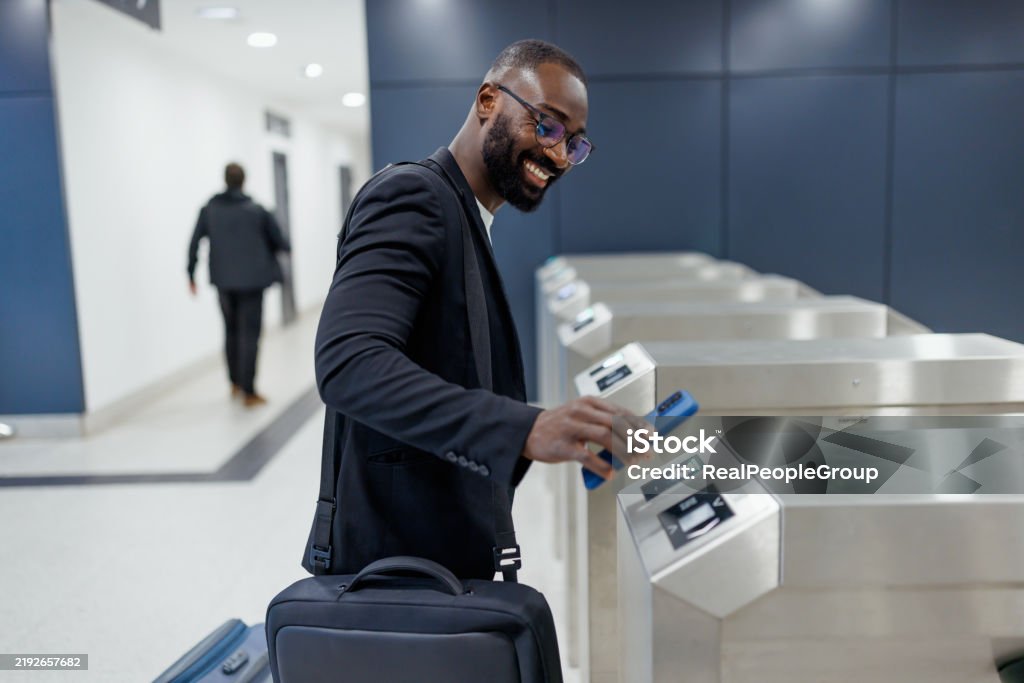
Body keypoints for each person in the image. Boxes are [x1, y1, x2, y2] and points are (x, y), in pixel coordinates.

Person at [306, 40, 635, 580]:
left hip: (434, 559)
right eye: (547, 126)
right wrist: (523, 428)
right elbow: (349, 362)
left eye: (574, 145)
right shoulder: (414, 197)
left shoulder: (465, 214)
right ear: (488, 101)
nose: (557, 155)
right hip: (397, 570)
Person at [187, 162, 290, 407]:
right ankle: (249, 391)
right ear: (244, 181)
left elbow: (194, 242)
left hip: (223, 282)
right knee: (249, 335)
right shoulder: (257, 210)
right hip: (253, 283)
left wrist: (190, 273)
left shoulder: (209, 209)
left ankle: (234, 382)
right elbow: (282, 242)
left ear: (225, 180)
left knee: (231, 331)